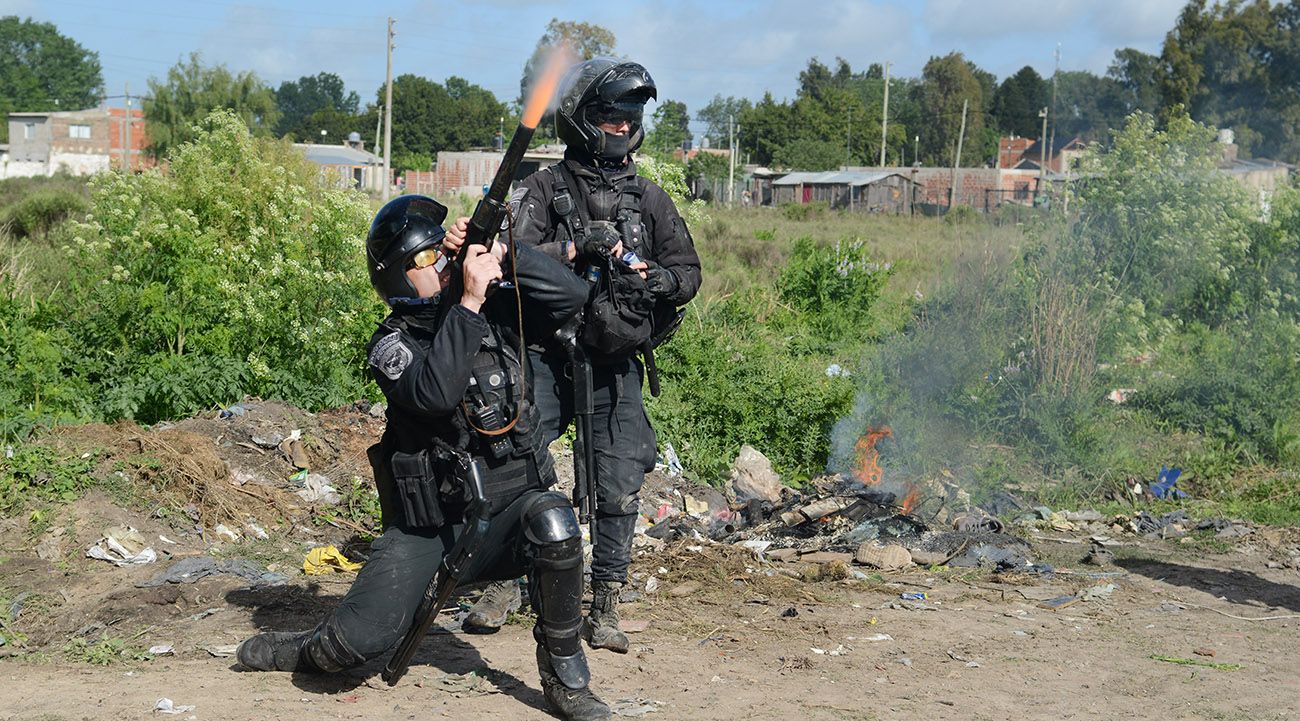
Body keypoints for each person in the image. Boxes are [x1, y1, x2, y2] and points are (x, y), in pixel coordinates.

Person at [235, 194, 611, 721]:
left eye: (441, 251)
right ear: (395, 278)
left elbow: (573, 299)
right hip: (434, 529)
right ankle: (304, 647)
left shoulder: (497, 308)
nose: (439, 263)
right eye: (423, 260)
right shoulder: (392, 344)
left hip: (509, 513)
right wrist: (469, 305)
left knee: (554, 519)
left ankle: (567, 681)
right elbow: (434, 392)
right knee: (355, 647)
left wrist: (504, 251)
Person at [463, 58, 701, 655]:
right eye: (609, 115)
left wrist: (656, 283)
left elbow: (688, 271)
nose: (622, 125)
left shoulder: (650, 197)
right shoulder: (543, 188)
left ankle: (605, 602)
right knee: (518, 464)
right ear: (584, 120)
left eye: (631, 116)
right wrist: (574, 249)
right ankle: (510, 582)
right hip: (544, 352)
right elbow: (509, 251)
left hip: (614, 359)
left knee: (620, 478)